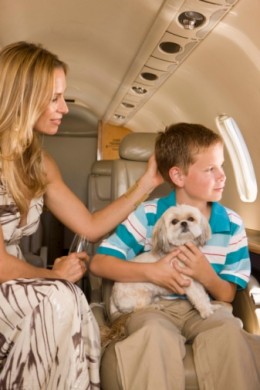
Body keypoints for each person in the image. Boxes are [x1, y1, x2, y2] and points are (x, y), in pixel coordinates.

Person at [0, 41, 162, 390]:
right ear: (24, 98)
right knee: (60, 295)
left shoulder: (38, 164)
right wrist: (50, 274)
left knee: (71, 296)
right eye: (54, 98)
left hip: (14, 285)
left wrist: (147, 183)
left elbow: (91, 225)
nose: (63, 108)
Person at [90, 123, 260, 390]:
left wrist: (206, 275)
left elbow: (227, 295)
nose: (222, 176)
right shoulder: (148, 214)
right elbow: (100, 263)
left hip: (203, 308)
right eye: (210, 169)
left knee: (228, 330)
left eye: (222, 166)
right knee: (153, 335)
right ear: (178, 176)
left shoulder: (231, 223)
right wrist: (152, 271)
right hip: (151, 309)